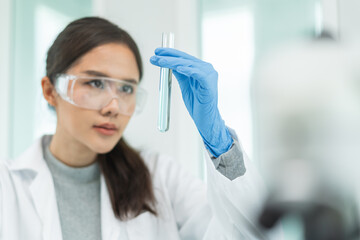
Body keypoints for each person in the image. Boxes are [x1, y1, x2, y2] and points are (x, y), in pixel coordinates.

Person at [0, 17, 274, 240]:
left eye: (127, 88)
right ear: (50, 91)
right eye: (96, 84)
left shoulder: (161, 179)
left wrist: (221, 144)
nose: (114, 106)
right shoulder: (9, 188)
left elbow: (254, 234)